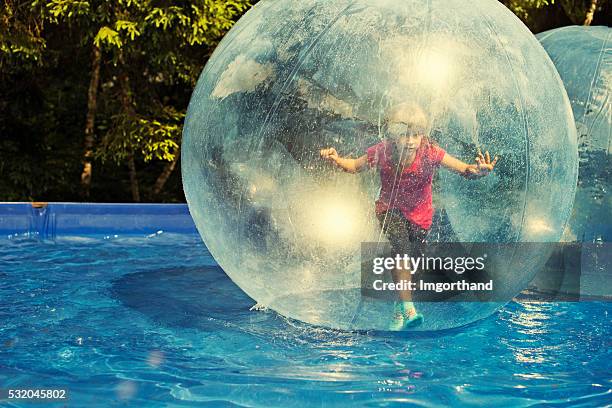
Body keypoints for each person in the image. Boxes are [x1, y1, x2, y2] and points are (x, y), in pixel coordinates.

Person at [320, 103, 498, 330]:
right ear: (393, 135)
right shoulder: (382, 152)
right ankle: (409, 308)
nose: (411, 141)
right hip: (389, 210)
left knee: (412, 264)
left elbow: (463, 169)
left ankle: (398, 309)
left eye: (416, 135)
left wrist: (478, 171)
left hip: (421, 217)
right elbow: (355, 165)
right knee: (401, 249)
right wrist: (336, 159)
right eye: (404, 135)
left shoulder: (430, 152)